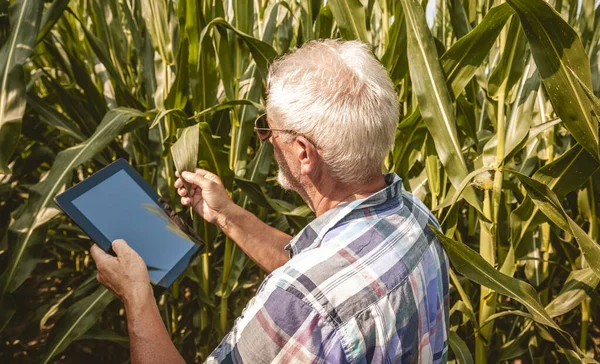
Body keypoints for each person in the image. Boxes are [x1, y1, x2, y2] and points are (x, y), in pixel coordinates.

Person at [91, 39, 449, 363]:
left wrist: (136, 294)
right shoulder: (416, 217)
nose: (266, 139)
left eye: (268, 129)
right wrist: (225, 214)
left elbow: (310, 292)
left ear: (303, 153)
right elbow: (315, 265)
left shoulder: (301, 305)